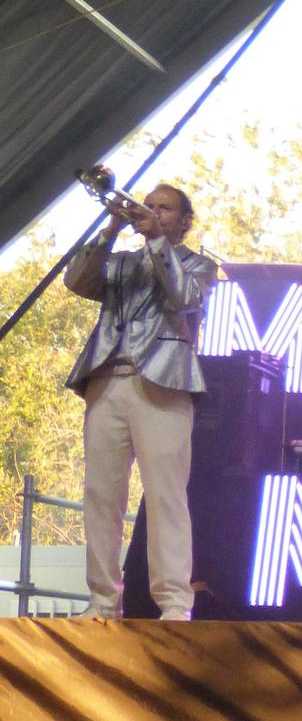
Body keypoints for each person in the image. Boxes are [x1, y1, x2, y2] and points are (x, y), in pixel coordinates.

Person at [64, 183, 217, 620]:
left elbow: (185, 297)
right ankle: (103, 601)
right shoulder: (121, 263)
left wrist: (155, 241)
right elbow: (77, 279)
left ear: (184, 221)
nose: (150, 212)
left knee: (165, 494)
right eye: (146, 207)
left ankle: (173, 602)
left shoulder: (197, 265)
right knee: (100, 495)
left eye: (162, 208)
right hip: (108, 380)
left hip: (164, 385)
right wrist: (111, 225)